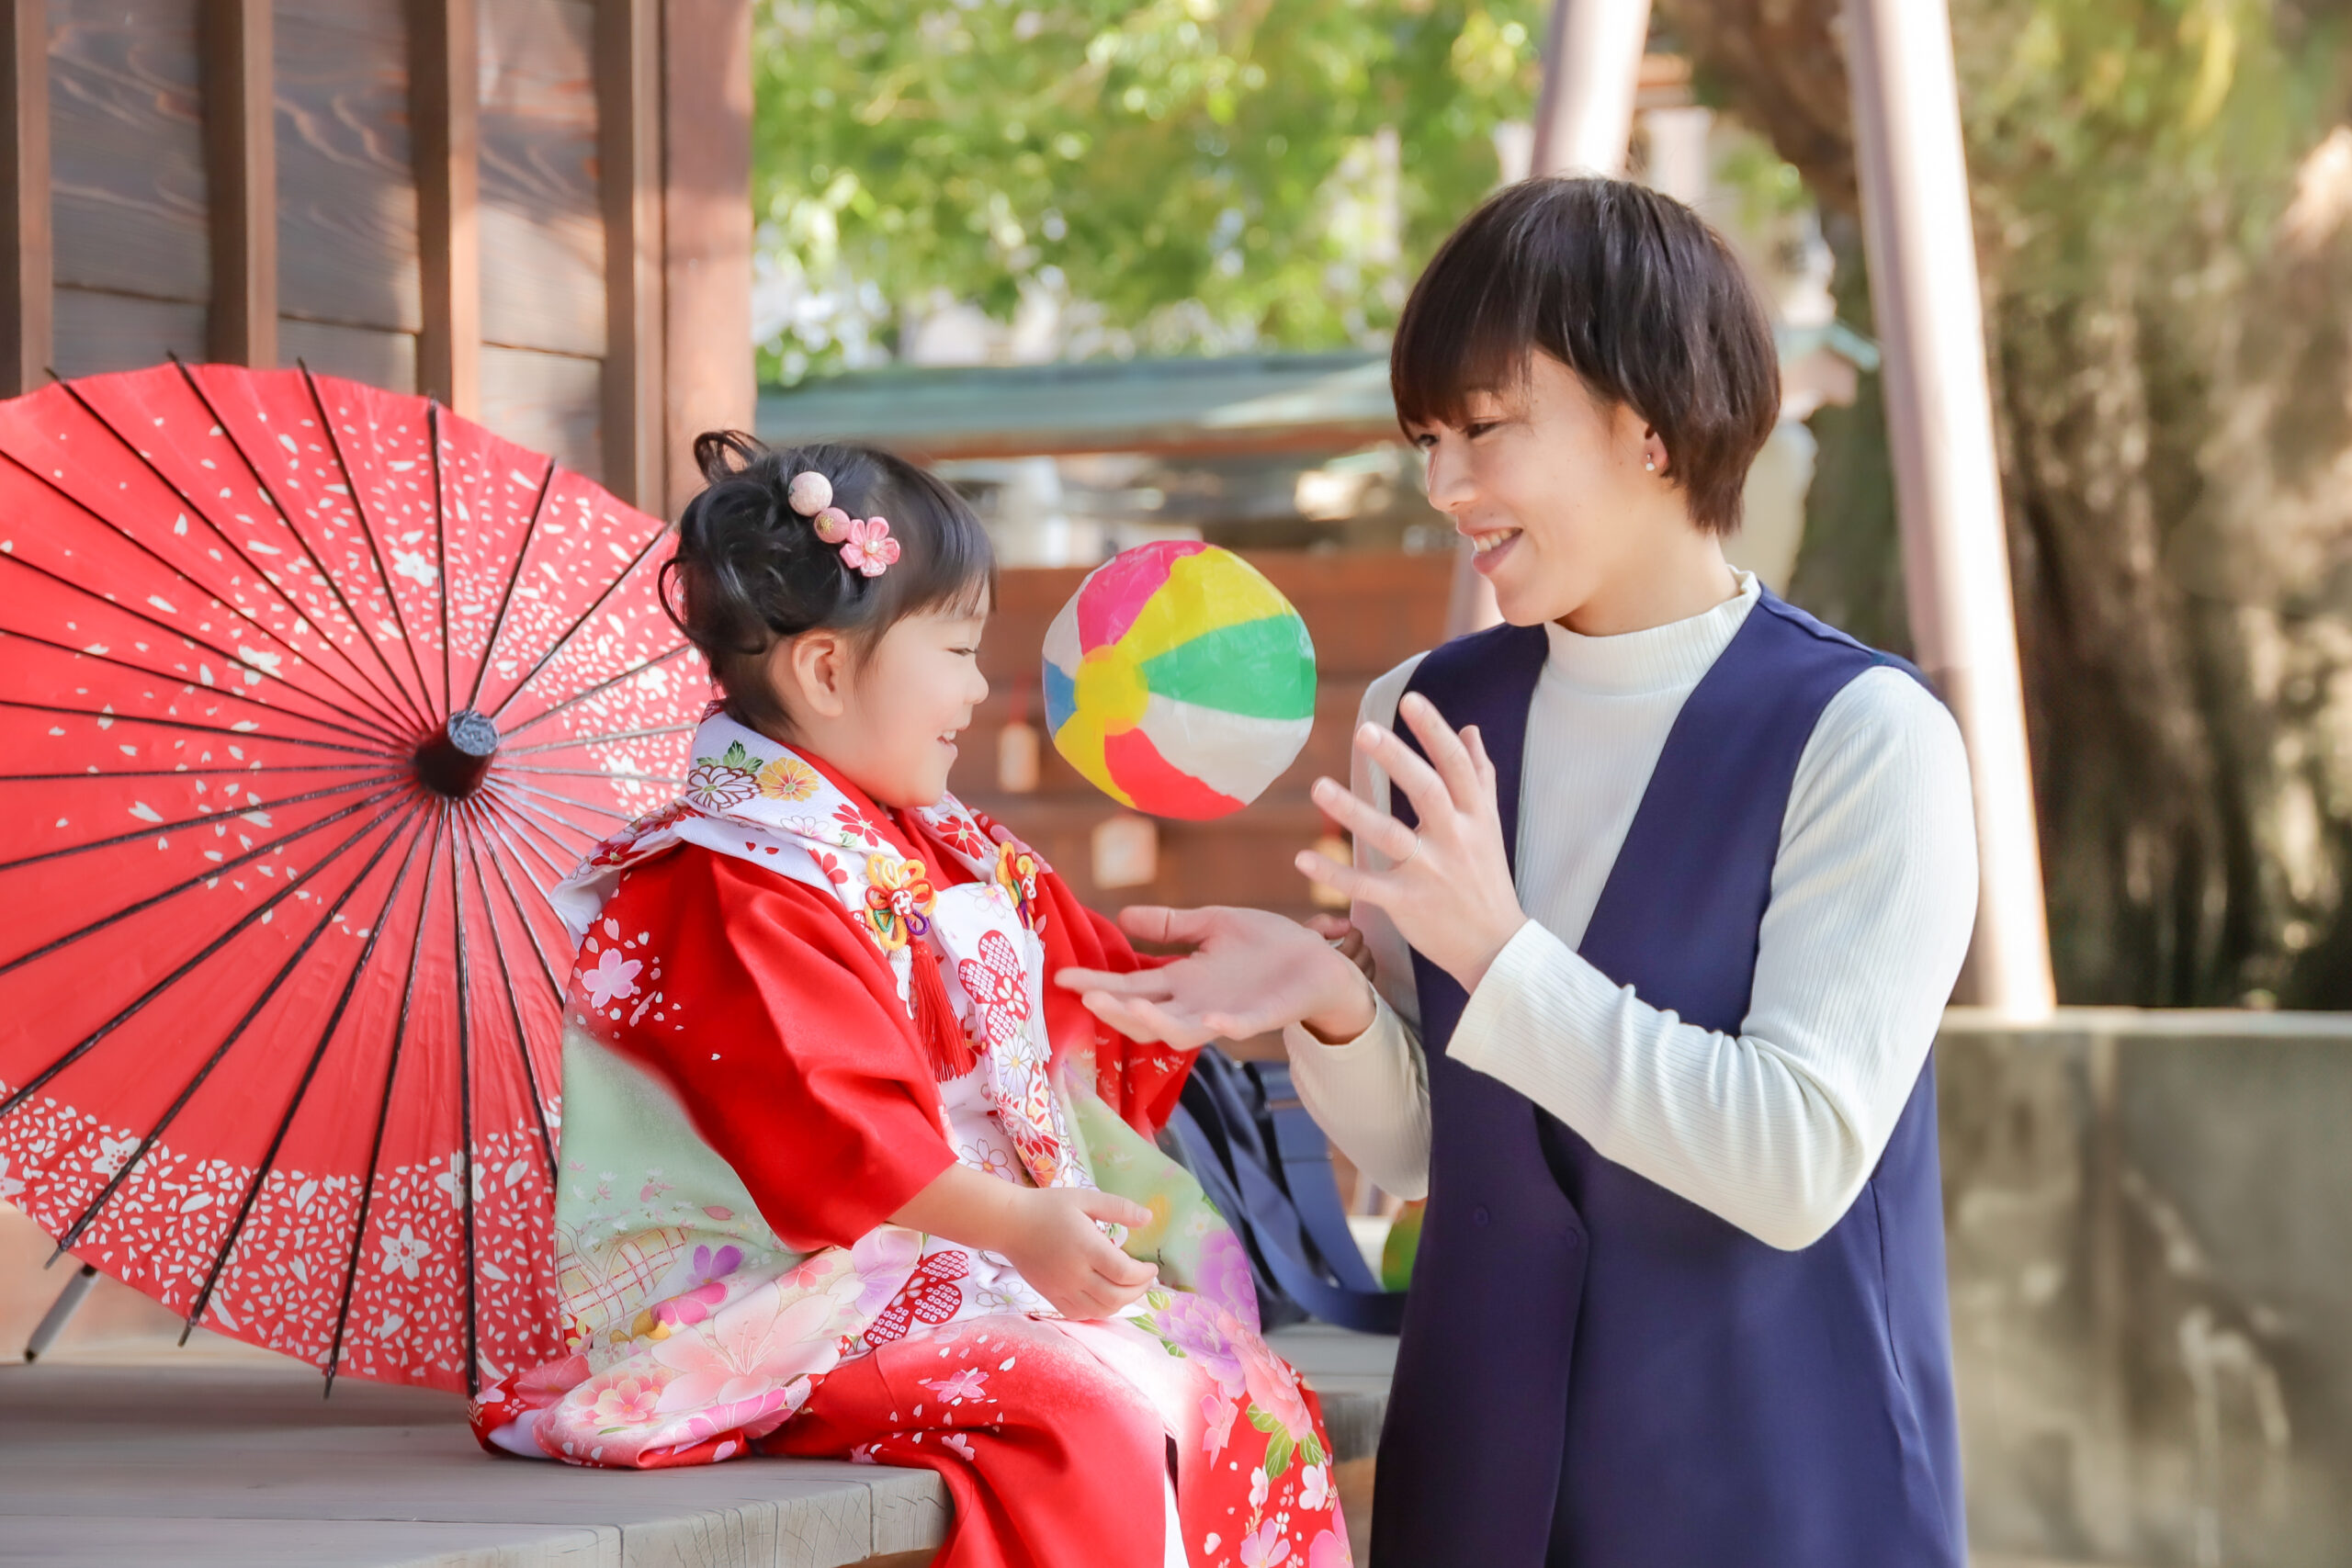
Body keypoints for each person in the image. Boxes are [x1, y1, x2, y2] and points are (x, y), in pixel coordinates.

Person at [1058, 175, 1979, 1567]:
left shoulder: (1863, 734)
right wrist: (1334, 1003)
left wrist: (1502, 953)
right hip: (1482, 1483)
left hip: (1781, 1480)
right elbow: (1438, 1148)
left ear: (1652, 424)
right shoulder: (1420, 710)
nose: (1444, 485)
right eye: (1428, 437)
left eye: (1485, 427)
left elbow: (1795, 1161)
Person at [469, 434, 1351, 1568]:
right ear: (829, 673)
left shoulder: (946, 849)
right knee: (1092, 1416)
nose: (981, 688)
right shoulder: (727, 881)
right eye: (959, 648)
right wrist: (1018, 1222)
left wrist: (1200, 990)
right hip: (786, 1297)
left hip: (955, 1264)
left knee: (1243, 1384)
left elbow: (1079, 1003)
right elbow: (829, 1124)